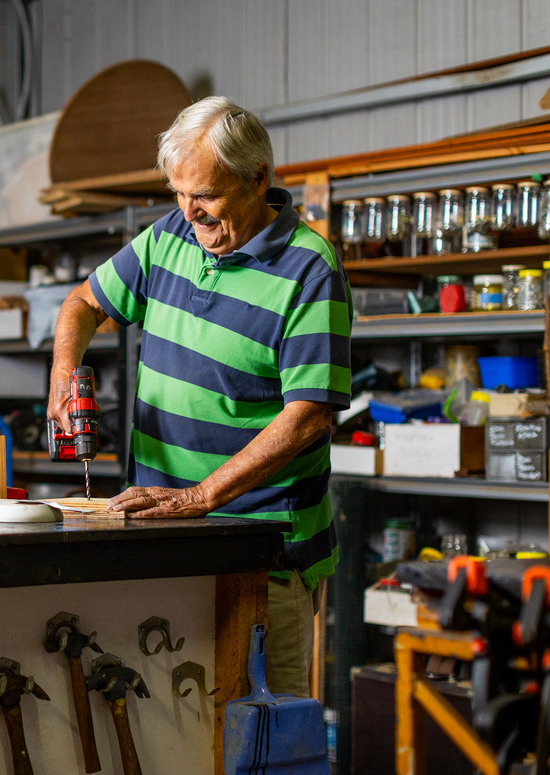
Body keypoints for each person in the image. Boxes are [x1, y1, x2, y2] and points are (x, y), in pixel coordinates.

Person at [48, 96, 351, 697]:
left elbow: (309, 417)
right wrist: (64, 370)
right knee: (174, 744)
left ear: (257, 178)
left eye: (205, 195)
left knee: (261, 755)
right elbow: (83, 302)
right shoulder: (169, 239)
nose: (191, 214)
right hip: (164, 540)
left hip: (264, 554)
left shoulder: (310, 270)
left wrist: (202, 496)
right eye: (179, 195)